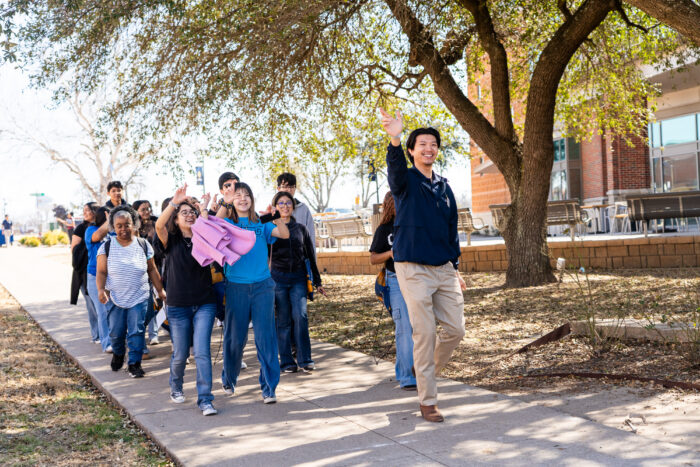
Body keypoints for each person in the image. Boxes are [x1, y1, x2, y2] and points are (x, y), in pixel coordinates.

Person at [379, 108, 467, 423]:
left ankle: (424, 365)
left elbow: (450, 229)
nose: (428, 149)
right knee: (425, 331)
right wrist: (395, 136)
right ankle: (427, 400)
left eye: (433, 144)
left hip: (443, 267)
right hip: (412, 267)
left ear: (437, 150)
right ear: (413, 150)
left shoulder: (444, 186)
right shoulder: (404, 182)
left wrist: (455, 269)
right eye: (422, 145)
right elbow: (394, 166)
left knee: (456, 329)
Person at [216, 182, 289, 403]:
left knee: (265, 338)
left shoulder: (262, 224)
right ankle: (229, 378)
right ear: (232, 200)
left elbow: (284, 234)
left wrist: (276, 216)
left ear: (252, 199)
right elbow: (214, 224)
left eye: (247, 195)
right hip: (236, 286)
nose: (243, 199)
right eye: (238, 195)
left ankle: (269, 387)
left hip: (263, 286)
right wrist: (225, 202)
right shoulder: (228, 224)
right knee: (235, 339)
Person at [155, 185, 219, 415]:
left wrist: (202, 209)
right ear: (176, 219)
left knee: (202, 351)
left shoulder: (204, 237)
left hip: (204, 302)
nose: (190, 215)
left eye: (192, 212)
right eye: (185, 213)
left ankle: (205, 399)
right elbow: (158, 225)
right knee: (181, 353)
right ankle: (176, 386)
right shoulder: (169, 240)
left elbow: (213, 222)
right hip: (178, 305)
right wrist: (175, 201)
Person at [96, 205, 166, 378]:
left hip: (140, 295)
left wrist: (160, 290)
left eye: (127, 224)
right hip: (116, 297)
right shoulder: (106, 247)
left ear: (134, 224)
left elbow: (152, 270)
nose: (123, 229)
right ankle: (119, 353)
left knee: (137, 331)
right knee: (116, 333)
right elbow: (101, 272)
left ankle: (134, 364)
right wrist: (100, 289)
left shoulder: (143, 245)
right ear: (113, 227)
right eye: (119, 225)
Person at [269, 191, 325, 373]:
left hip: (298, 279)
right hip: (278, 279)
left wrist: (317, 281)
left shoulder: (301, 229)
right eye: (281, 203)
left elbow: (310, 256)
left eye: (288, 203)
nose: (285, 206)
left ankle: (305, 359)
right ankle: (286, 362)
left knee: (301, 317)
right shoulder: (269, 227)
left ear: (292, 207)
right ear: (275, 207)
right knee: (283, 320)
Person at [370, 192, 417, 391]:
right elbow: (373, 258)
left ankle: (405, 370)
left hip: (417, 279)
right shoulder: (384, 230)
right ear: (391, 205)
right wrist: (390, 253)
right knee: (404, 328)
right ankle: (407, 377)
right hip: (395, 280)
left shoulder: (414, 225)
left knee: (417, 329)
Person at [70, 202, 100, 343]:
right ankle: (96, 335)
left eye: (88, 210)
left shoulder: (102, 227)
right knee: (92, 305)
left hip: (101, 271)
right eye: (84, 210)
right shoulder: (81, 228)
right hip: (84, 272)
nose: (85, 213)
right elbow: (74, 250)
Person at [84, 206, 114, 353]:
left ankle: (118, 340)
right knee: (102, 310)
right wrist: (109, 222)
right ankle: (107, 343)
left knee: (115, 311)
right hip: (95, 276)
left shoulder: (114, 232)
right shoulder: (90, 230)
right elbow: (97, 236)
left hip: (114, 276)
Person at [133, 199, 160, 345]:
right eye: (143, 209)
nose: (146, 211)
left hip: (155, 265)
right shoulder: (133, 227)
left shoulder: (156, 223)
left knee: (153, 301)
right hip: (140, 269)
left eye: (148, 208)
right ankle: (140, 335)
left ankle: (154, 334)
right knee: (145, 303)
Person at [276, 173, 316, 250]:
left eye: (292, 186)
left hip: (300, 258)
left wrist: (312, 260)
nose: (289, 190)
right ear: (278, 188)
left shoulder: (304, 209)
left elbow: (311, 236)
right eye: (285, 187)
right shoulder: (272, 210)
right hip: (279, 259)